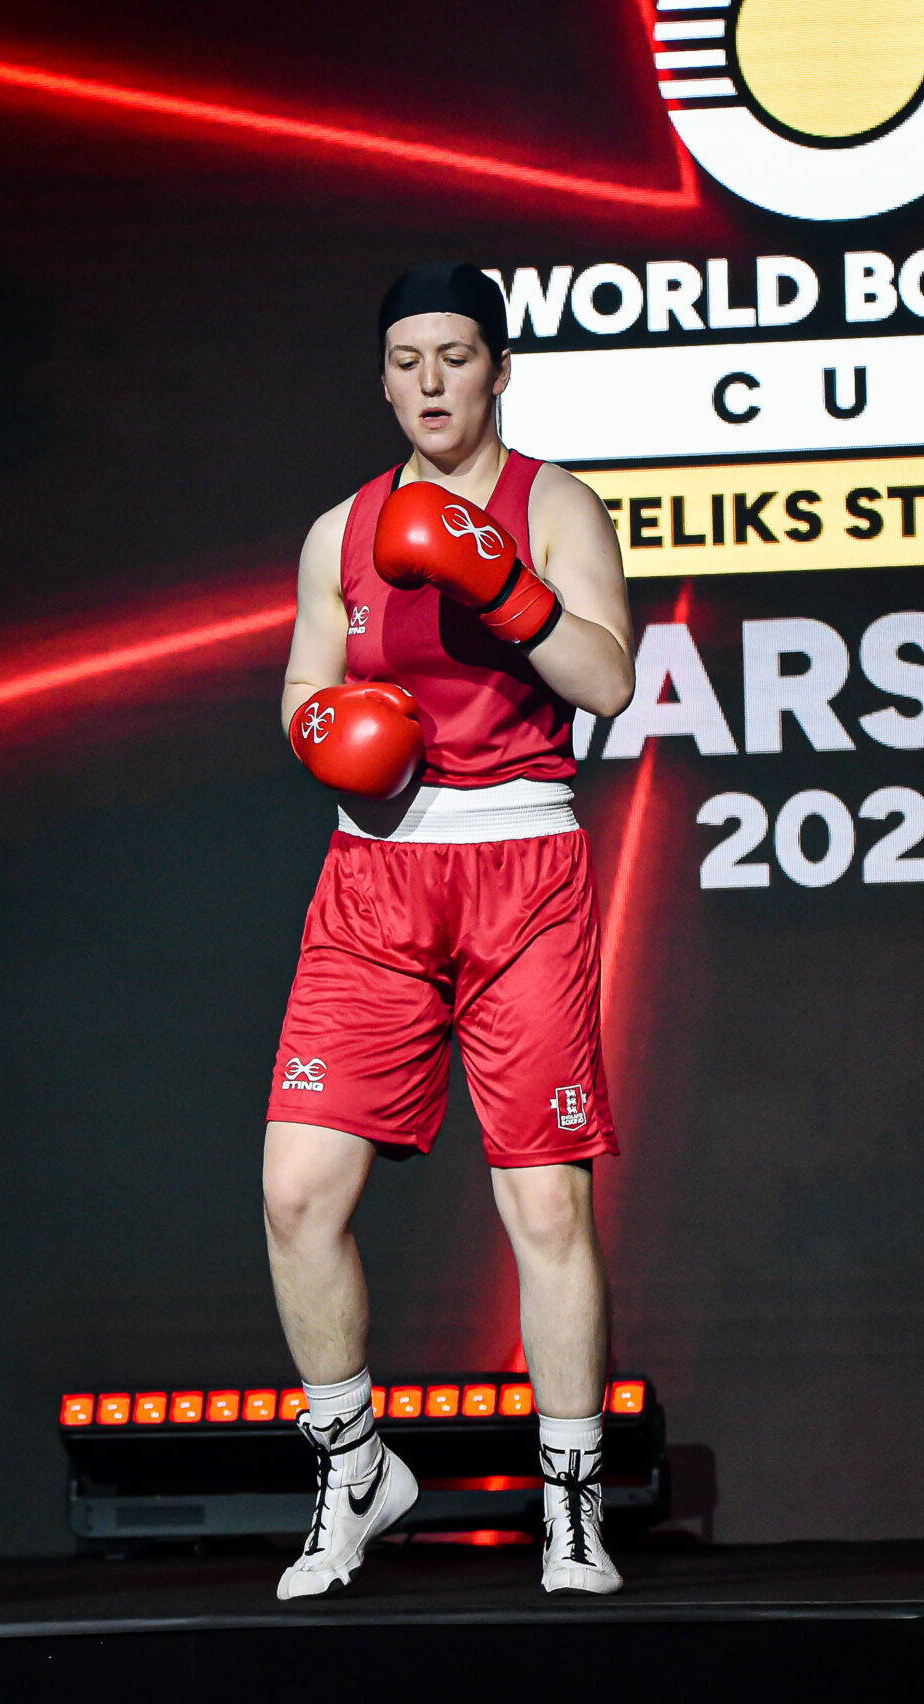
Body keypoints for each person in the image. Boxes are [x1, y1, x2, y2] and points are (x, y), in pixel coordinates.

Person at [264, 263, 637, 1598]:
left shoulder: (555, 504)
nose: (431, 381)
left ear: (499, 369)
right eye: (407, 359)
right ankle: (356, 1466)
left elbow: (609, 680)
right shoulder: (338, 532)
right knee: (296, 1195)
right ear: (382, 379)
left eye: (457, 355)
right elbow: (303, 685)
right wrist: (327, 729)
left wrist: (503, 585)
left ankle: (573, 1506)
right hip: (375, 877)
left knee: (544, 1199)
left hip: (520, 864)